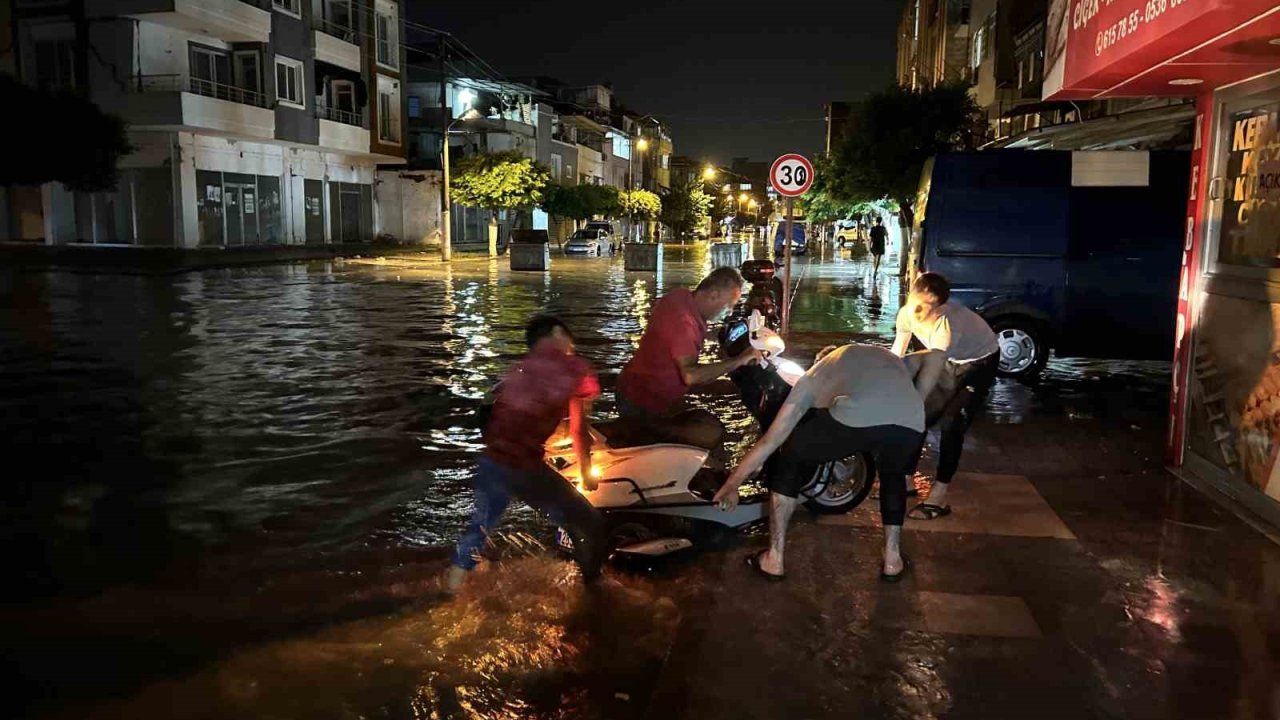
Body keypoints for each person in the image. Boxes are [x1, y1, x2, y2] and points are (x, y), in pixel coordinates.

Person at [714, 344, 930, 581]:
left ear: (819, 361)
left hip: (859, 414)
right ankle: (892, 560)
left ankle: (774, 559)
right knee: (893, 477)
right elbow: (926, 359)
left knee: (789, 455)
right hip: (913, 419)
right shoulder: (884, 356)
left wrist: (731, 485)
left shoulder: (815, 375)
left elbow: (770, 440)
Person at [446, 316, 607, 593]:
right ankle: (594, 588)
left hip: (490, 463)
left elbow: (497, 416)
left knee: (480, 530)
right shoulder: (572, 367)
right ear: (558, 333)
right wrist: (586, 475)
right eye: (569, 338)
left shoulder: (518, 371)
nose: (572, 346)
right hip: (523, 467)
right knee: (588, 522)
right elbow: (579, 430)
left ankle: (449, 593)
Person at [891, 272, 1000, 520]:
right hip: (950, 361)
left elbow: (932, 371)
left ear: (939, 305)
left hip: (979, 363)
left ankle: (939, 495)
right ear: (911, 294)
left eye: (929, 307)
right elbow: (897, 355)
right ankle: (906, 480)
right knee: (920, 417)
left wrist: (914, 403)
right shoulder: (906, 313)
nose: (920, 311)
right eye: (918, 302)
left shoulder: (946, 324)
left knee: (952, 423)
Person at [615, 267, 761, 448]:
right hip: (642, 400)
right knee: (705, 434)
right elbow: (690, 375)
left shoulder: (681, 296)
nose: (729, 312)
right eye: (729, 304)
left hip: (638, 389)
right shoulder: (684, 323)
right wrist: (739, 360)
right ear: (713, 295)